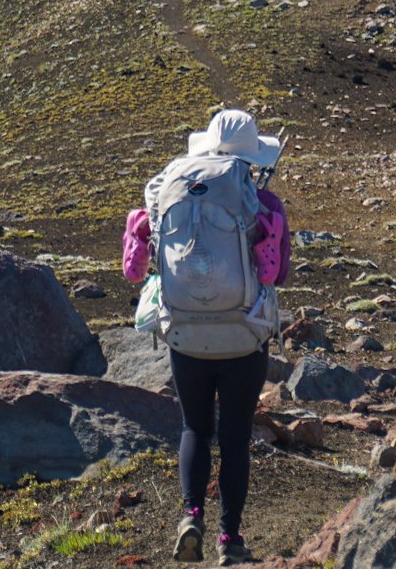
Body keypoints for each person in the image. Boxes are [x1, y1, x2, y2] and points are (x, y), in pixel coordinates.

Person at [122, 109, 287, 565]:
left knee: (194, 426)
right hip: (244, 334)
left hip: (185, 336)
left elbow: (133, 269)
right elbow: (277, 272)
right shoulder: (265, 203)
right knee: (234, 437)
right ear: (253, 156)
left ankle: (191, 515)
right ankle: (229, 541)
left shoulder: (167, 191)